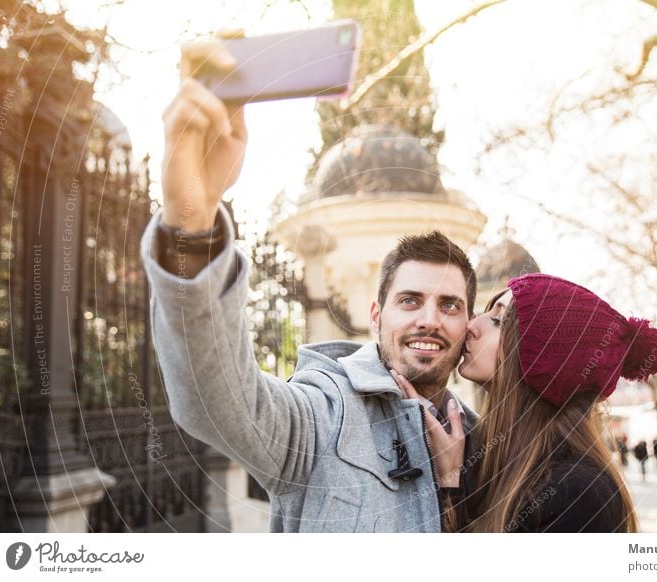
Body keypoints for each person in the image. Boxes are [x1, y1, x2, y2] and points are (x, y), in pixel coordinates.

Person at [140, 40, 479, 532]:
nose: (429, 318)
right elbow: (216, 400)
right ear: (377, 315)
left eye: (450, 305)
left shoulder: (481, 441)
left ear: (468, 323)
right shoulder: (320, 416)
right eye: (410, 300)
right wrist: (190, 221)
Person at [393, 273, 657, 532]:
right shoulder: (487, 458)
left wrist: (450, 485)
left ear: (546, 362)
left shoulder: (580, 493)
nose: (472, 325)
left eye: (499, 320)